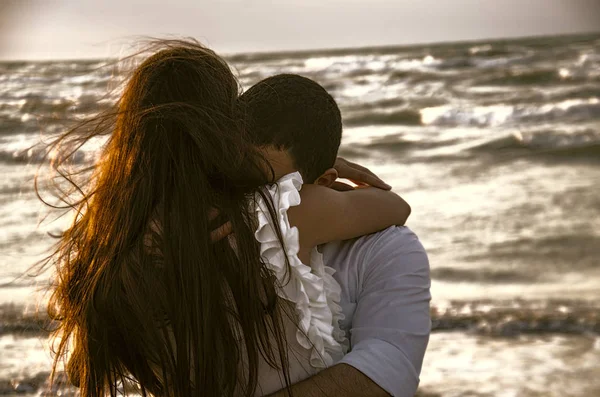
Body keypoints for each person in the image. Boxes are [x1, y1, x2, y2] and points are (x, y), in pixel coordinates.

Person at [40, 40, 414, 397]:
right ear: (219, 128)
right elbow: (395, 207)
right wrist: (319, 174)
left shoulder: (113, 252)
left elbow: (78, 368)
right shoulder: (277, 211)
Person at [240, 74, 431, 397]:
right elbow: (397, 205)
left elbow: (386, 370)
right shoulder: (197, 227)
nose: (252, 198)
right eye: (238, 177)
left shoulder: (384, 247)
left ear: (323, 183)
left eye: (271, 187)